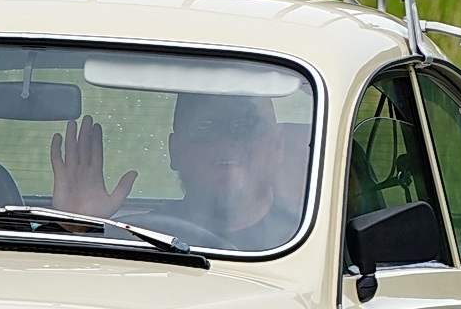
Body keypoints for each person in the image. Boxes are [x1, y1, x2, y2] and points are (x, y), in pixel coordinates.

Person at [49, 93, 304, 250]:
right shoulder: (139, 237)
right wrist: (77, 228)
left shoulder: (310, 238)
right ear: (175, 150)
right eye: (204, 129)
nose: (225, 143)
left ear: (277, 146)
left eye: (245, 127)